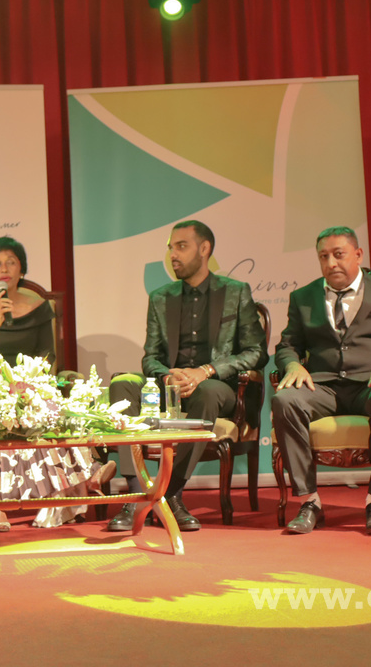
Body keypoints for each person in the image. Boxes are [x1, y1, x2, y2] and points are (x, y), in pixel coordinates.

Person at [107, 220, 268, 532]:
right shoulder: (161, 297)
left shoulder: (235, 293)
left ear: (204, 249)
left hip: (216, 386)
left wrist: (206, 371)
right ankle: (136, 495)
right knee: (122, 383)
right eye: (171, 248)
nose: (173, 255)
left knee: (207, 392)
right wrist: (167, 376)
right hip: (169, 385)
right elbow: (151, 356)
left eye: (181, 246)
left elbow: (256, 352)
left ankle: (169, 493)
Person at [272, 227, 371, 535]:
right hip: (322, 387)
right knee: (284, 399)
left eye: (338, 254)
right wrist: (292, 365)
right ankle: (309, 502)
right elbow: (287, 345)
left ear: (358, 255)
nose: (331, 263)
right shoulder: (303, 297)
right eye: (323, 257)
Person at [0, 236, 112, 532]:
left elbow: (47, 357)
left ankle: (5, 503)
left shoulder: (39, 307)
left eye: (11, 262)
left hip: (29, 384)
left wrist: (27, 387)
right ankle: (85, 477)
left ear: (22, 269)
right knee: (5, 416)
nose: (4, 268)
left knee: (40, 412)